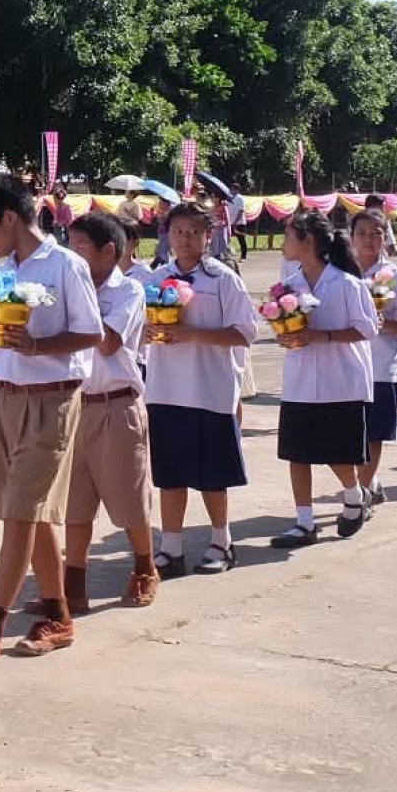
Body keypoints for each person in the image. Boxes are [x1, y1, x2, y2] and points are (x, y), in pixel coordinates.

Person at [0, 175, 102, 671]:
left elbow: (91, 333)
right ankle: (57, 614)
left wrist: (37, 347)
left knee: (21, 515)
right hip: (7, 401)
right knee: (29, 515)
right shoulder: (3, 271)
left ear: (11, 218)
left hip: (52, 401)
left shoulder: (66, 265)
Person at [143, 202, 258, 576]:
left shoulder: (223, 279)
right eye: (178, 231)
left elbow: (245, 332)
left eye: (194, 231)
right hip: (166, 390)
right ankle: (170, 547)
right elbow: (137, 329)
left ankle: (221, 542)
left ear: (209, 236)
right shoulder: (156, 278)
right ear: (168, 235)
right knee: (170, 473)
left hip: (210, 389)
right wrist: (145, 331)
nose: (186, 238)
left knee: (213, 474)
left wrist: (192, 334)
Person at [60, 213, 156, 611]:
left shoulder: (129, 290)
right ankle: (73, 585)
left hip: (116, 405)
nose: (71, 256)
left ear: (109, 252)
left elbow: (109, 343)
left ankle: (145, 569)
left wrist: (77, 298)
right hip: (74, 405)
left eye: (79, 248)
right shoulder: (68, 288)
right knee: (75, 502)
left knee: (129, 498)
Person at [267, 211, 378, 549]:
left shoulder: (346, 283)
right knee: (296, 454)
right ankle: (304, 523)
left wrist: (321, 336)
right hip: (301, 381)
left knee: (336, 452)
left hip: (340, 381)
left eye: (288, 236)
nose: (284, 244)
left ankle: (354, 494)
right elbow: (286, 329)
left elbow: (368, 328)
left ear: (308, 241)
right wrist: (286, 335)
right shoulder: (289, 287)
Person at [351, 211, 397, 505]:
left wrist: (380, 324)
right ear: (351, 236)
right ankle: (371, 482)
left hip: (380, 366)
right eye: (362, 233)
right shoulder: (339, 274)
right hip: (345, 366)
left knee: (374, 433)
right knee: (351, 435)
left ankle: (362, 492)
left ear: (386, 237)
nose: (369, 239)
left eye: (376, 233)